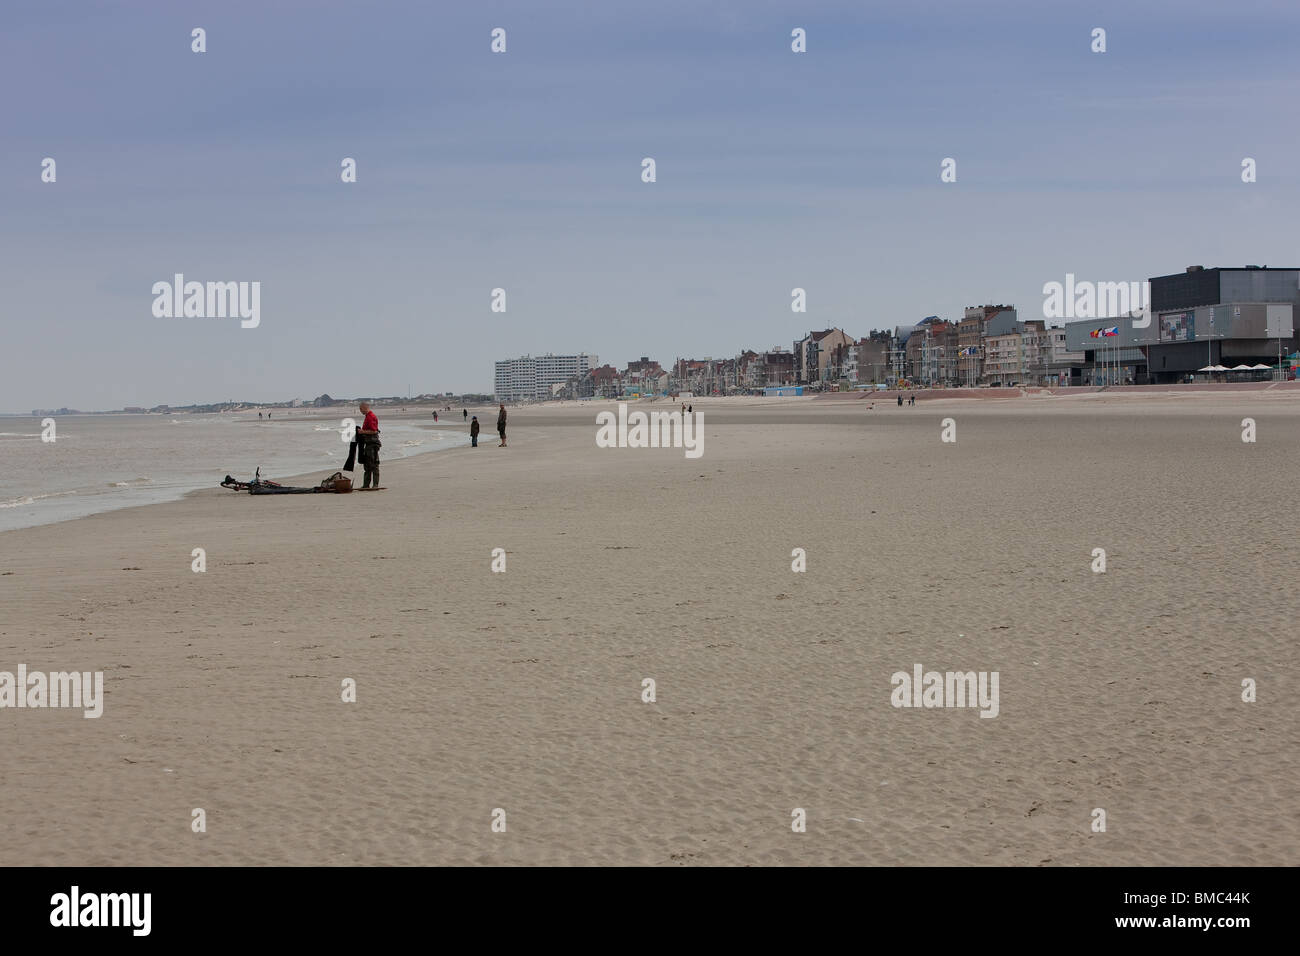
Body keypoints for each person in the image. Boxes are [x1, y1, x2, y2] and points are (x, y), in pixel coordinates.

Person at [357, 402, 381, 488]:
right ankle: (366, 485)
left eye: (361, 409)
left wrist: (362, 432)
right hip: (368, 444)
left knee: (374, 464)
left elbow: (374, 431)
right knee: (367, 464)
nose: (360, 411)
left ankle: (375, 484)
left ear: (365, 408)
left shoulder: (371, 417)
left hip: (373, 444)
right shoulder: (367, 416)